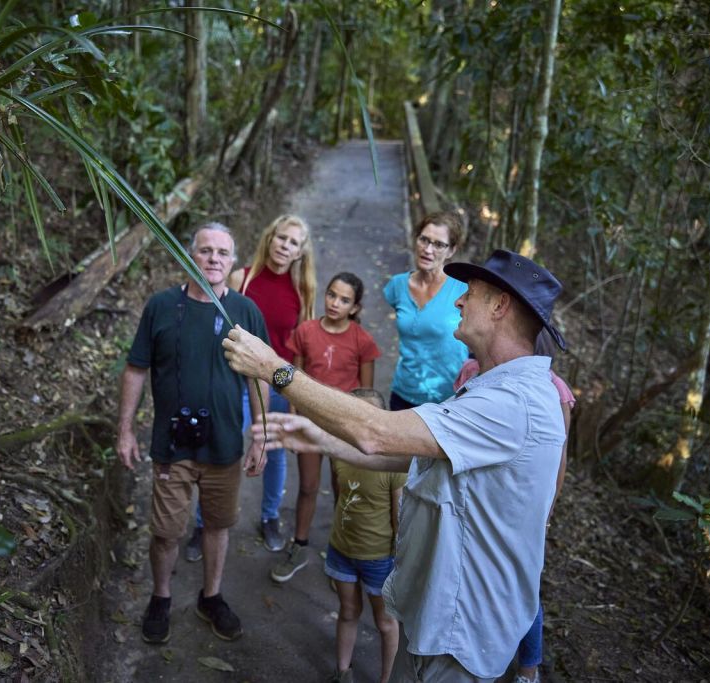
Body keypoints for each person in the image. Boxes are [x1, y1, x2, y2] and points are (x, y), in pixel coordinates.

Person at [223, 249, 569, 681]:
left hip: (462, 633)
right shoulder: (490, 385)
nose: (458, 301)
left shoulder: (511, 404)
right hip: (436, 616)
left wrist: (273, 369)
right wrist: (320, 436)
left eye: (471, 294)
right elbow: (413, 449)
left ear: (500, 306)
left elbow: (377, 431)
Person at [116, 223, 269, 645]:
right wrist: (125, 430)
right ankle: (161, 598)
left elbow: (262, 377)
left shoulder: (246, 312)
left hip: (224, 446)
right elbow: (135, 369)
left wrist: (260, 435)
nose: (213, 259)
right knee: (166, 531)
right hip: (172, 444)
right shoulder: (161, 307)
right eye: (205, 251)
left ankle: (211, 596)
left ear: (233, 262)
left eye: (222, 252)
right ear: (189, 256)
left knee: (218, 526)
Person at [186, 214, 318, 559]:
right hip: (237, 380)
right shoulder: (241, 277)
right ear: (269, 238)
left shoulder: (303, 290)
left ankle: (269, 516)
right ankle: (203, 523)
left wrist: (296, 395)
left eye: (293, 242)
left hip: (277, 382)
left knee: (273, 451)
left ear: (300, 251)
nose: (284, 246)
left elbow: (301, 345)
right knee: (223, 449)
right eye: (281, 238)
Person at [452, 332, 575, 683]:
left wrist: (546, 515)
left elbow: (558, 460)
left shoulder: (554, 391)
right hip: (479, 503)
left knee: (523, 588)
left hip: (522, 508)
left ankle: (528, 668)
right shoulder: (472, 372)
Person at [271, 272, 381, 583]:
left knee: (343, 489)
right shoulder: (305, 332)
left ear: (355, 307)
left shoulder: (362, 340)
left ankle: (342, 557)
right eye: (332, 295)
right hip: (309, 422)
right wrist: (294, 420)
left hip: (343, 427)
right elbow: (295, 378)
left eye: (344, 300)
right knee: (307, 486)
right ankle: (300, 546)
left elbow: (367, 396)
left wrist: (358, 432)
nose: (335, 303)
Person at [325, 388, 404, 683]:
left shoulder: (395, 464)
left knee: (385, 622)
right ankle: (343, 672)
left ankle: (386, 679)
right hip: (341, 550)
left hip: (379, 559)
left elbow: (399, 517)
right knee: (347, 611)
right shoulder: (340, 454)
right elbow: (341, 497)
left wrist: (398, 560)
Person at [384, 211, 468, 411]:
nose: (428, 250)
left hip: (448, 400)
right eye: (424, 240)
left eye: (438, 244)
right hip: (403, 393)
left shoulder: (463, 290)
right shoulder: (397, 286)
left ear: (451, 251)